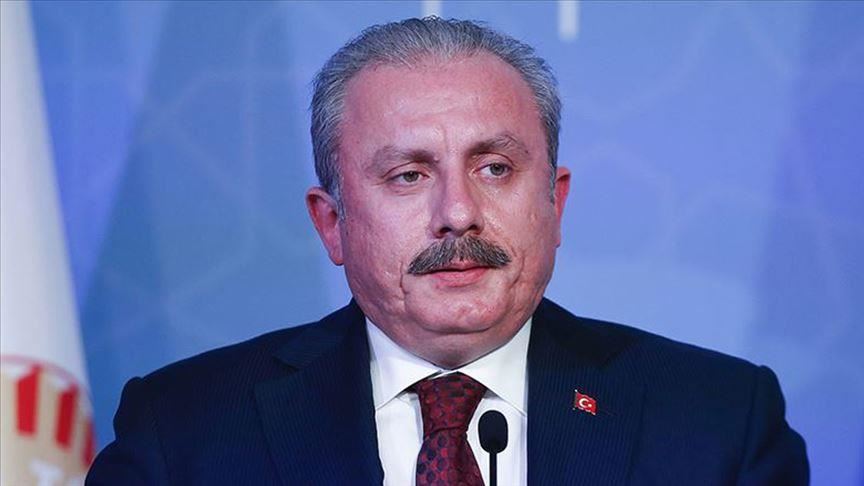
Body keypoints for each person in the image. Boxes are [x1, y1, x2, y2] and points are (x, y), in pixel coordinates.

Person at [86, 17, 808, 485]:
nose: (458, 212)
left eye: (494, 168)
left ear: (554, 203)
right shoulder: (184, 431)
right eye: (408, 175)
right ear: (331, 223)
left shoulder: (718, 422)